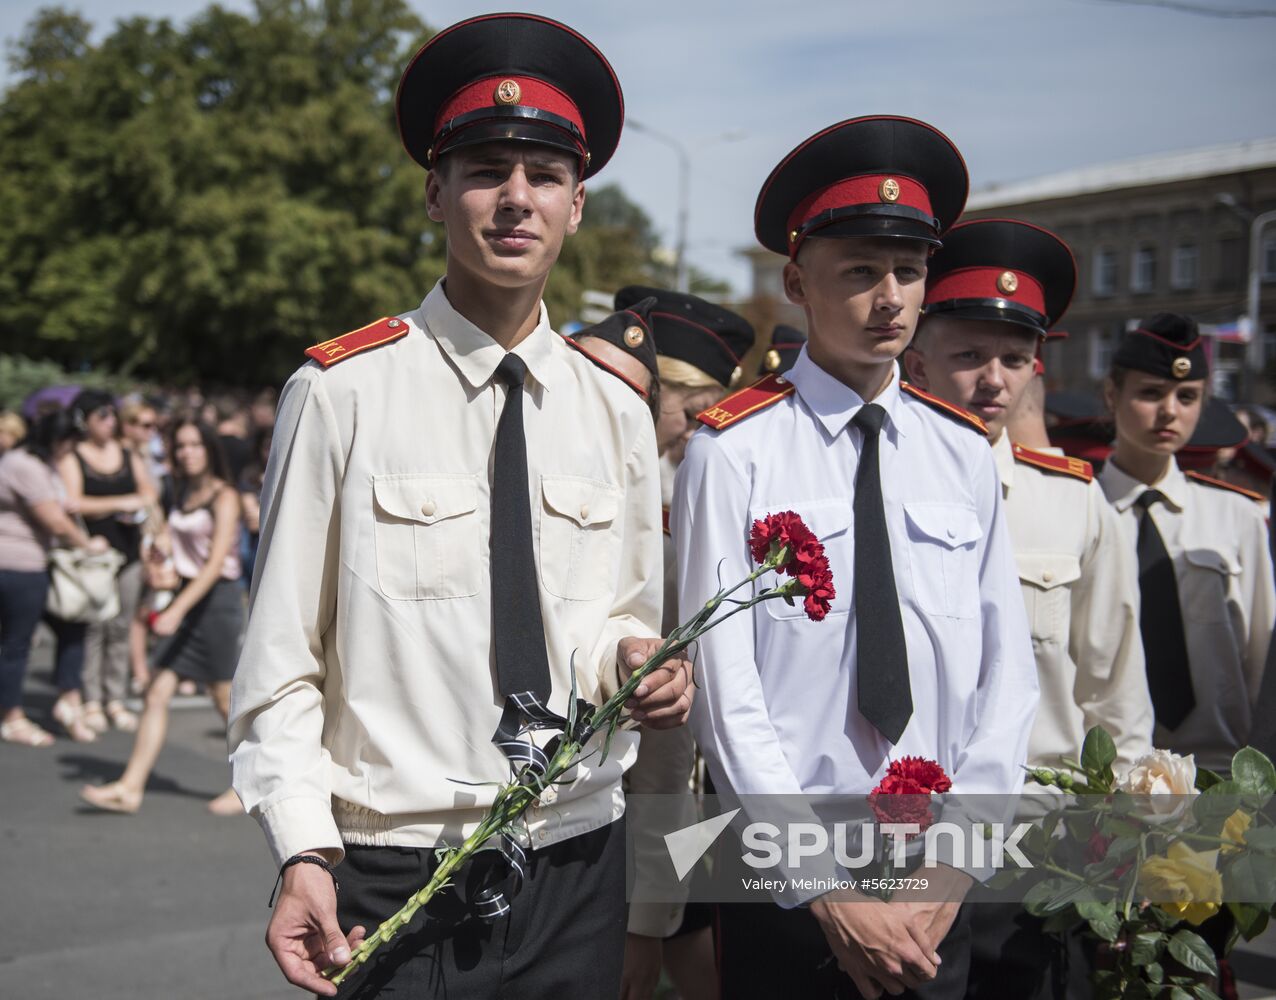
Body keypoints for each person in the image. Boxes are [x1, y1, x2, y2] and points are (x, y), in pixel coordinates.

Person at [227, 15, 691, 999]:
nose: (515, 198)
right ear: (437, 192)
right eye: (486, 168)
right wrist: (302, 848)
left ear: (575, 205)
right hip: (397, 863)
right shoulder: (341, 392)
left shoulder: (615, 407)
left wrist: (639, 666)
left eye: (545, 175)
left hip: (576, 860)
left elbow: (626, 616)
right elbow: (279, 663)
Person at [673, 115, 1038, 1000]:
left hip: (932, 873)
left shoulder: (961, 451)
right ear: (797, 281)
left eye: (909, 273)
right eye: (861, 273)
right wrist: (826, 892)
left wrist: (955, 864)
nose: (891, 299)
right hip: (789, 873)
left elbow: (1006, 672)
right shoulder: (735, 449)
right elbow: (727, 694)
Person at [903, 218, 1155, 999]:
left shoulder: (1075, 505)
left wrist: (1129, 848)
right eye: (969, 356)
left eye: (1014, 359)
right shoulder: (872, 490)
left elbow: (1115, 694)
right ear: (917, 359)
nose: (994, 380)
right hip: (904, 842)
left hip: (1039, 848)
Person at [605, 288, 754, 1000]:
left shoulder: (672, 516)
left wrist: (647, 915)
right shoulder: (637, 498)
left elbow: (669, 747)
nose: (700, 427)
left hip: (661, 813)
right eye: (692, 409)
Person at [1098, 314, 1275, 775]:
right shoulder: (1082, 508)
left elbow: (1260, 657)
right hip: (1107, 772)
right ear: (1112, 395)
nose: (1170, 411)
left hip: (1219, 770)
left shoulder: (1238, 517)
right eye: (1150, 393)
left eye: (1188, 396)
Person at [79, 418, 244, 814]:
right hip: (182, 596)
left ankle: (247, 785)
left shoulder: (225, 496)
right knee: (156, 692)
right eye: (181, 446)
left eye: (194, 445)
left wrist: (175, 610)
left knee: (224, 700)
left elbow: (216, 562)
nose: (187, 452)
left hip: (214, 601)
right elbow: (175, 546)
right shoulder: (180, 491)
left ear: (209, 449)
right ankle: (130, 787)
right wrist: (160, 559)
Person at [0, 410, 109, 746]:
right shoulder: (25, 465)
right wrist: (89, 545)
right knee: (16, 643)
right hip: (17, 565)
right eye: (70, 441)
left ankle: (69, 699)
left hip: (35, 564)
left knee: (73, 625)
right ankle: (11, 717)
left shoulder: (39, 464)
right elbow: (54, 521)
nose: (72, 449)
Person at [58, 389, 157, 733]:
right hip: (94, 557)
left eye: (112, 415)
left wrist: (131, 505)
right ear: (85, 420)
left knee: (121, 626)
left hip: (128, 553)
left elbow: (148, 495)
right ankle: (92, 699)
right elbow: (73, 503)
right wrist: (122, 502)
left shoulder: (127, 454)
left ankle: (114, 697)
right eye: (102, 416)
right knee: (94, 628)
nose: (110, 422)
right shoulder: (74, 457)